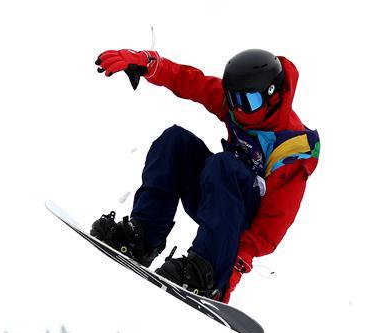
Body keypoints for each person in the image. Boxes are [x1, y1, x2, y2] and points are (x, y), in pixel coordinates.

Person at [90, 48, 320, 302]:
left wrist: (228, 277)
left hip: (241, 224)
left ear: (272, 96)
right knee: (175, 140)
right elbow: (191, 81)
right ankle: (143, 236)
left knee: (224, 164)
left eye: (249, 102)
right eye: (233, 99)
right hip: (216, 196)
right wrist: (149, 64)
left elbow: (274, 223)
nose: (240, 109)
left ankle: (205, 271)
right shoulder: (235, 108)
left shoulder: (293, 147)